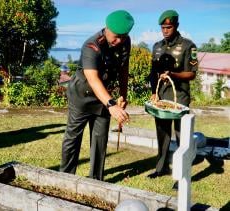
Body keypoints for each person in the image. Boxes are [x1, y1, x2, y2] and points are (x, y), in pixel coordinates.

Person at [60, 10, 134, 181]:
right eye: (116, 36)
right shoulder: (92, 45)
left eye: (123, 37)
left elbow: (124, 68)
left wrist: (123, 95)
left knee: (100, 140)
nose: (119, 41)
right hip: (82, 97)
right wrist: (112, 105)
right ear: (107, 28)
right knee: (73, 138)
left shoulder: (125, 41)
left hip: (104, 98)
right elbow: (93, 79)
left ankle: (96, 180)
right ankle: (65, 178)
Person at [148, 9, 198, 179]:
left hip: (180, 99)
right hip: (161, 98)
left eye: (168, 27)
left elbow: (192, 74)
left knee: (181, 137)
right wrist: (153, 93)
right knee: (162, 135)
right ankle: (161, 168)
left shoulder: (188, 46)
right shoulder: (156, 47)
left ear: (176, 26)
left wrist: (173, 75)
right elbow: (152, 73)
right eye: (163, 27)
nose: (165, 30)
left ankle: (182, 173)